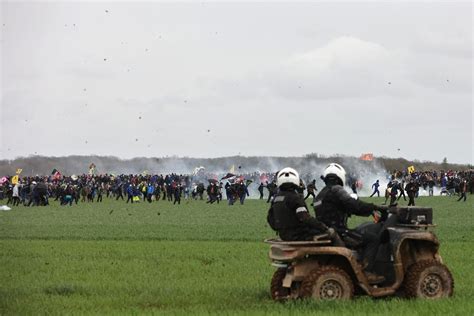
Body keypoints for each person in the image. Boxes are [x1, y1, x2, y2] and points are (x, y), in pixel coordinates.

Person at [313, 163, 388, 284]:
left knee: (360, 234)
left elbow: (345, 209)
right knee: (373, 239)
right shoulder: (336, 190)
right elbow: (354, 205)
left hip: (327, 231)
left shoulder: (320, 195)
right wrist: (375, 207)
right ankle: (367, 273)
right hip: (339, 232)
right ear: (340, 176)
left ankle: (358, 265)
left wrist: (369, 212)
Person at [267, 167, 330, 242]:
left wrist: (280, 228)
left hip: (283, 235)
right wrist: (323, 227)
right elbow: (304, 217)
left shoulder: (276, 198)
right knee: (332, 235)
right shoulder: (295, 198)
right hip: (298, 235)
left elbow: (270, 218)